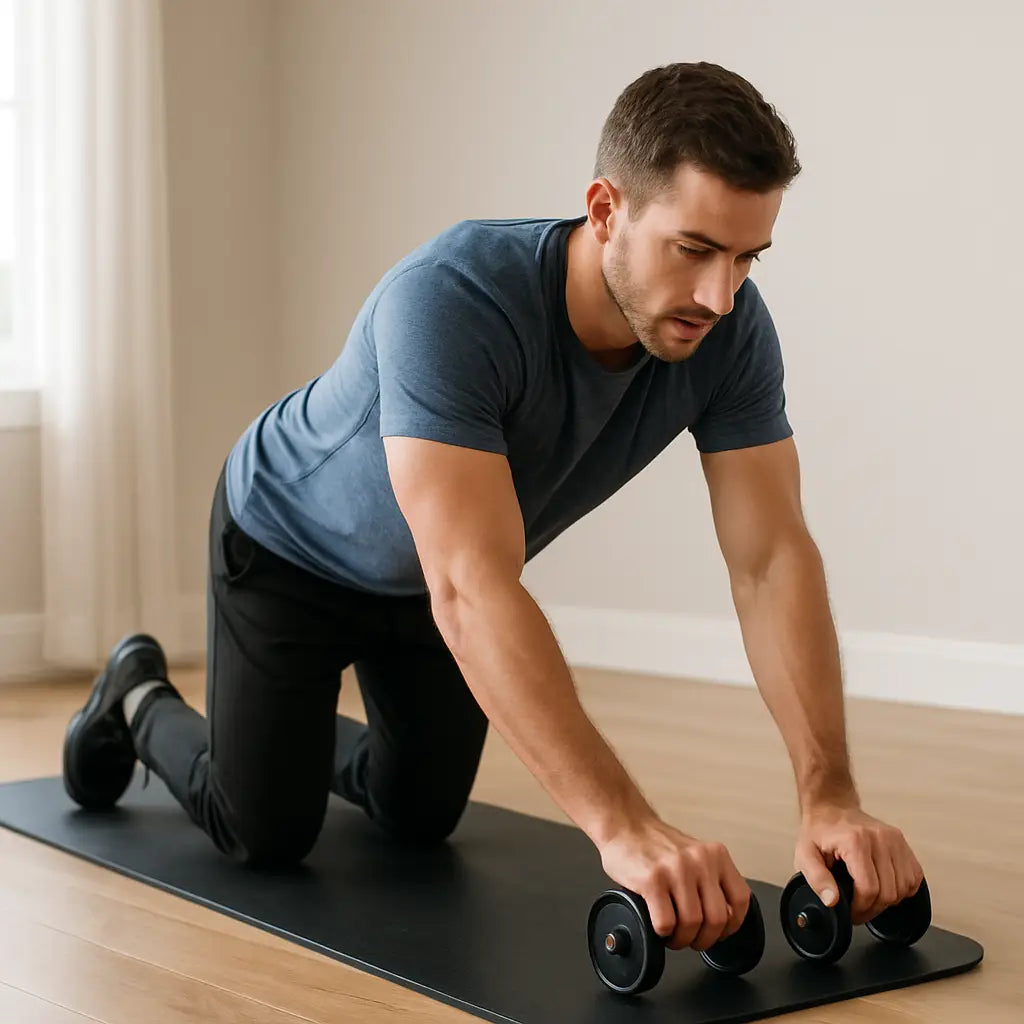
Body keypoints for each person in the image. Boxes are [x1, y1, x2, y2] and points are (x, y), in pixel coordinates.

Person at [62, 61, 925, 956]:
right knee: (263, 832)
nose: (722, 295)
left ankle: (280, 729)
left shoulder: (730, 331)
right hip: (290, 549)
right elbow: (471, 589)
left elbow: (772, 558)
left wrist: (829, 792)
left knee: (419, 815)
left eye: (747, 257)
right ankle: (138, 695)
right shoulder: (452, 298)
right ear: (605, 210)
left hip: (433, 581)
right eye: (695, 249)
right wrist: (625, 827)